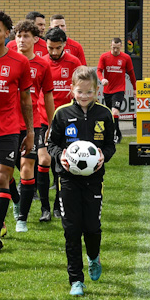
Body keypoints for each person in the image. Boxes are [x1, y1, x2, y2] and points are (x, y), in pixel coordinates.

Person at [47, 67, 116, 296]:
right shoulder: (62, 114)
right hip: (67, 180)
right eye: (80, 91)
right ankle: (76, 279)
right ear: (71, 90)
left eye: (89, 92)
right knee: (72, 229)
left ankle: (94, 256)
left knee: (92, 228)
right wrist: (61, 156)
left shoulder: (104, 114)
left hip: (94, 180)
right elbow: (52, 144)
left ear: (97, 90)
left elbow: (110, 145)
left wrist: (104, 155)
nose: (84, 96)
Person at [0, 10, 34, 251]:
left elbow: (25, 99)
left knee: (0, 177)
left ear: (6, 33)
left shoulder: (20, 62)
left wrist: (30, 131)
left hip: (9, 128)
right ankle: (10, 192)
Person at [13, 19, 55, 229]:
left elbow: (47, 96)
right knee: (2, 173)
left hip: (33, 124)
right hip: (7, 125)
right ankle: (14, 198)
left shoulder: (42, 64)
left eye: (26, 36)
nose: (21, 40)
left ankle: (22, 218)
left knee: (27, 168)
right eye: (18, 36)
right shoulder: (8, 60)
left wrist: (52, 123)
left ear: (36, 39)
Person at [44, 26, 85, 216]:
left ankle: (58, 203)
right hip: (45, 118)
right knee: (49, 161)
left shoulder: (74, 62)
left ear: (64, 45)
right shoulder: (42, 63)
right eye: (50, 48)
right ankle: (47, 203)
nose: (53, 52)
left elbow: (82, 88)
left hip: (69, 119)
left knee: (65, 161)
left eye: (57, 48)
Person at [97, 37, 136, 143]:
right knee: (108, 114)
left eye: (117, 48)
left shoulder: (126, 58)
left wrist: (134, 88)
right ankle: (115, 132)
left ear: (121, 47)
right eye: (114, 48)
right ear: (111, 46)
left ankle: (116, 135)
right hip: (107, 90)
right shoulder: (104, 57)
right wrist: (102, 79)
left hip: (119, 89)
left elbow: (131, 74)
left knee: (115, 111)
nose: (115, 50)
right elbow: (99, 70)